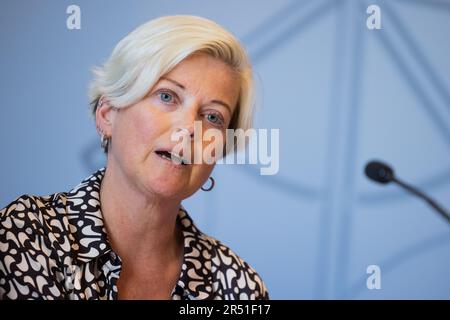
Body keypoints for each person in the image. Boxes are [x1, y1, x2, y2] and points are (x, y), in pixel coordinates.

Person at [0, 15, 268, 300]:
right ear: (107, 114)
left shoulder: (239, 287)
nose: (190, 128)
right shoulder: (27, 235)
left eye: (212, 116)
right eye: (167, 97)